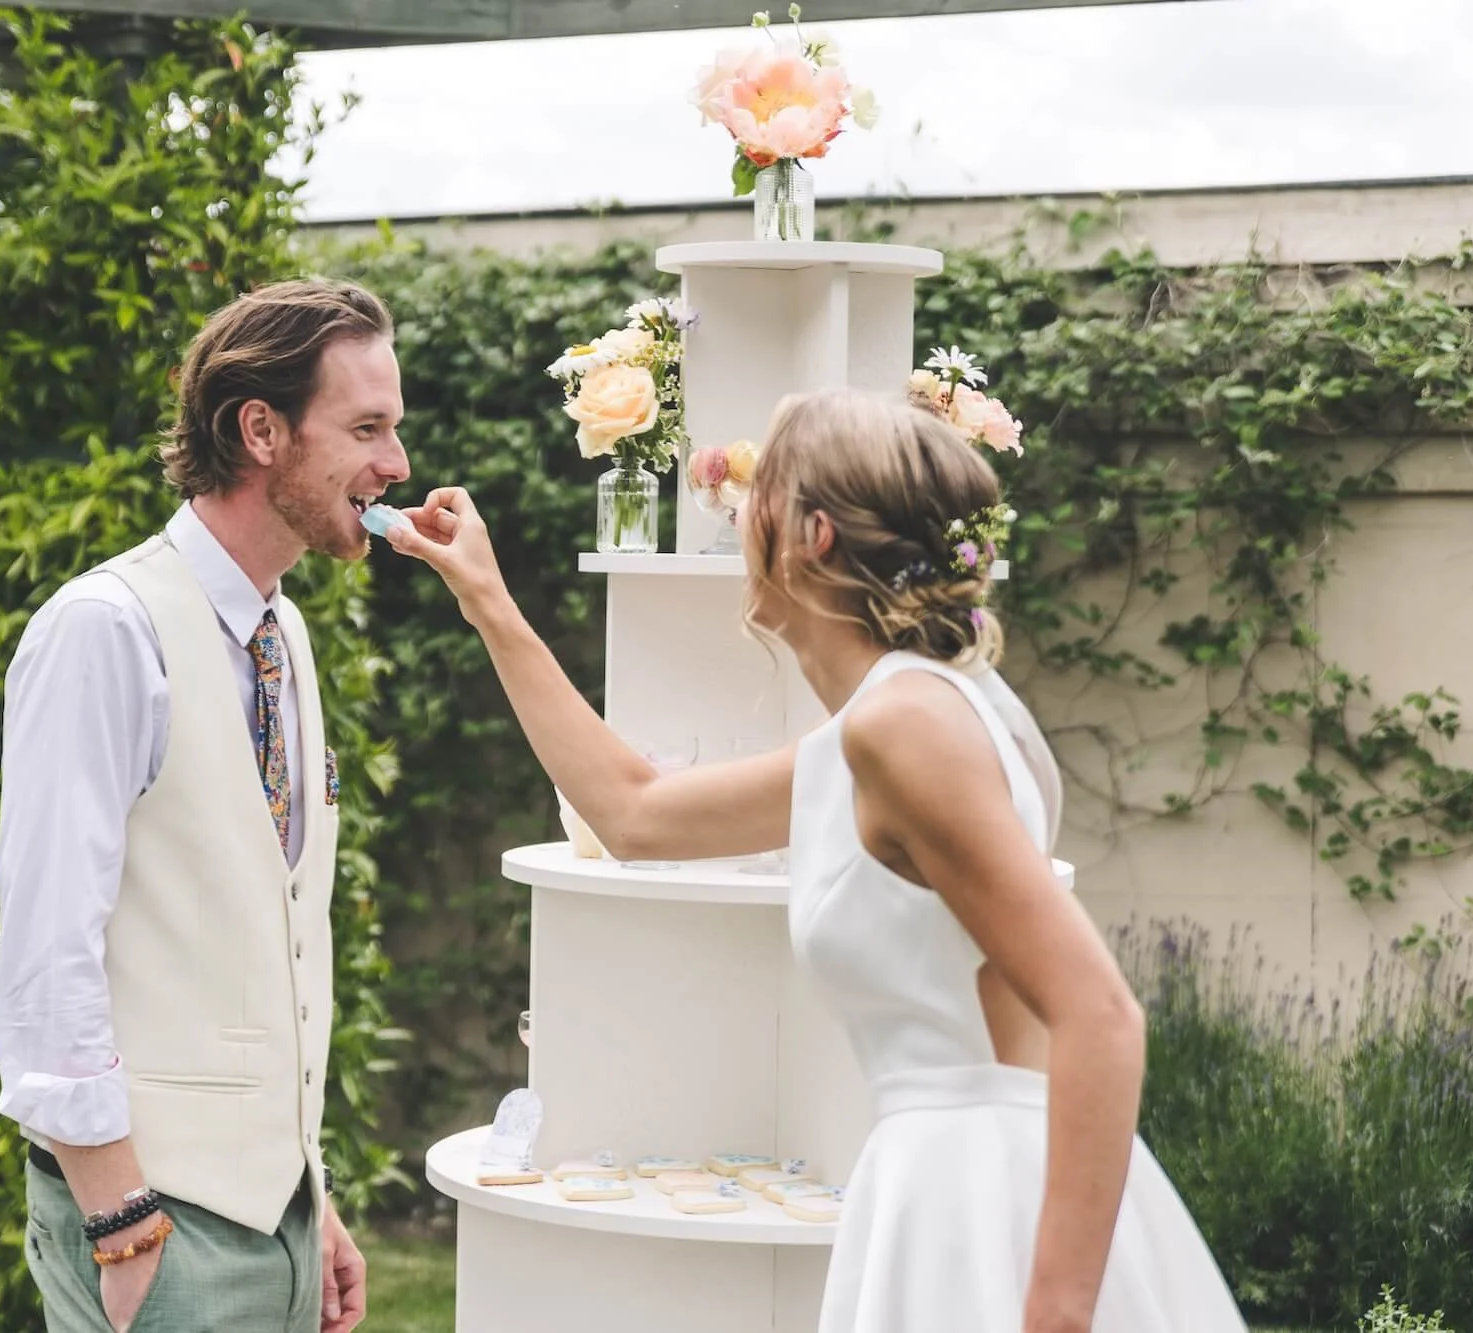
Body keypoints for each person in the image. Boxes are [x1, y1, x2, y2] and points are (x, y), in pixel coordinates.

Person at [385, 387, 1247, 1332]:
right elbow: (634, 813)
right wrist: (486, 597)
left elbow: (1102, 1015)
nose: (739, 518)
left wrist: (1054, 1309)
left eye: (760, 500)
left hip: (986, 1206)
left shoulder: (906, 723)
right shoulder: (903, 716)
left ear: (814, 537)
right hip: (952, 1184)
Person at [0, 277, 406, 1333]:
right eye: (365, 428)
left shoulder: (286, 635)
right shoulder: (104, 630)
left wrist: (306, 1204)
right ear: (259, 429)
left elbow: (263, 943)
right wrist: (121, 1221)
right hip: (151, 1226)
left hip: (276, 1223)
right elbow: (47, 951)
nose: (395, 466)